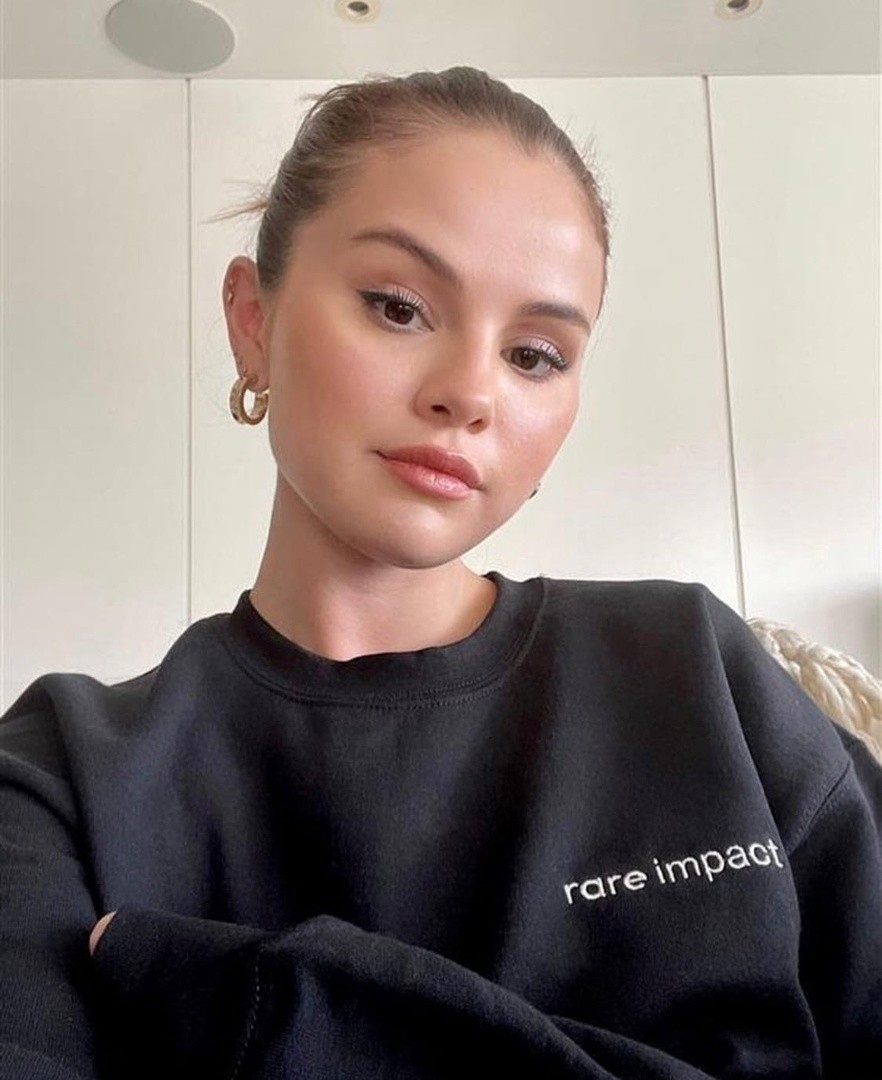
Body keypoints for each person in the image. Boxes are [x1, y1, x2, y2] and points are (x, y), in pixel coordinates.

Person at [0, 66, 879, 1080]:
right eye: (399, 306)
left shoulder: (699, 675)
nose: (469, 393)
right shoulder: (63, 773)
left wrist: (259, 1003)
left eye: (536, 355)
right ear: (253, 322)